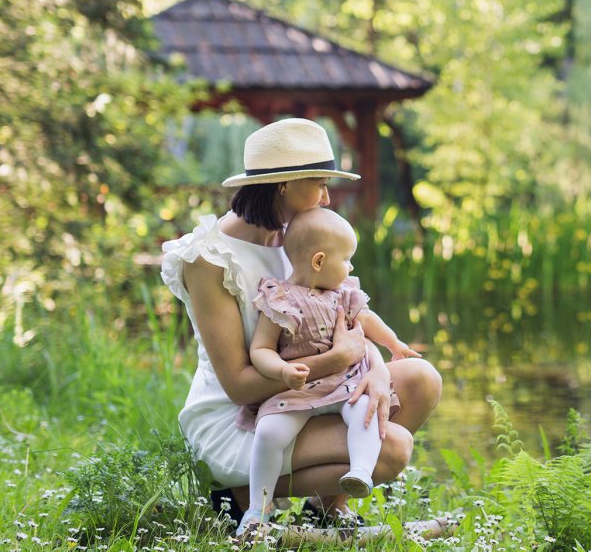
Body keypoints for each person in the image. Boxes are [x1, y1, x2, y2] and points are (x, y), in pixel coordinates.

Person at [160, 118, 441, 526]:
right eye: (320, 183)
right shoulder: (209, 259)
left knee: (422, 380)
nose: (326, 197)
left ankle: (325, 512)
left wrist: (377, 368)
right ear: (283, 185)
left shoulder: (306, 236)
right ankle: (239, 493)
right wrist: (334, 361)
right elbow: (239, 386)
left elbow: (347, 320)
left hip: (316, 390)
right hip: (241, 416)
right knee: (394, 448)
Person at [235, 207, 419, 534]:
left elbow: (369, 321)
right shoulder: (278, 299)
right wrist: (281, 371)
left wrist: (394, 344)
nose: (351, 266)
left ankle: (360, 472)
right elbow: (260, 348)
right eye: (347, 259)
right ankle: (256, 510)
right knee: (269, 433)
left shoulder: (343, 293)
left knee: (364, 411)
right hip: (298, 389)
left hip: (346, 383)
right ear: (319, 261)